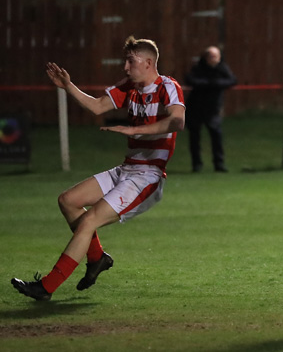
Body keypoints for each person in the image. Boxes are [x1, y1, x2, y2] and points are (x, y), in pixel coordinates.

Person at [11, 36, 185, 300]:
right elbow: (97, 106)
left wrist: (136, 130)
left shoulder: (167, 86)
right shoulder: (131, 87)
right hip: (127, 170)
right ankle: (97, 258)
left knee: (89, 221)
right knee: (68, 201)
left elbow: (177, 121)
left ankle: (46, 287)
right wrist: (68, 86)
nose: (125, 67)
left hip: (147, 177)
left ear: (149, 63)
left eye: (131, 61)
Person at [184, 45, 237, 172]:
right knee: (194, 136)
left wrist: (215, 84)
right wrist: (209, 84)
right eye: (212, 56)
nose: (214, 59)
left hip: (212, 109)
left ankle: (219, 164)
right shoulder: (199, 68)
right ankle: (197, 164)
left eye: (216, 56)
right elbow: (190, 79)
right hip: (195, 107)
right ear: (206, 57)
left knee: (216, 135)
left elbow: (232, 80)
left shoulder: (222, 68)